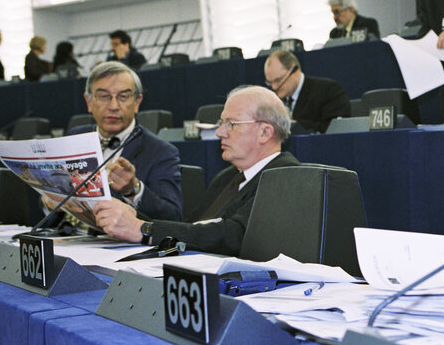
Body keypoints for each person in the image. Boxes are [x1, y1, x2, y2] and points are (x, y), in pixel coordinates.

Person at [93, 85, 300, 256]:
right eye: (222, 123)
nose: (219, 132)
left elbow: (236, 236)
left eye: (231, 124)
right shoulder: (227, 177)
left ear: (265, 132)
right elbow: (191, 227)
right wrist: (126, 215)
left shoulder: (286, 177)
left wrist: (143, 229)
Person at [68, 61, 182, 222]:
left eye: (123, 97)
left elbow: (173, 217)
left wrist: (134, 190)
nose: (114, 106)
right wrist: (49, 202)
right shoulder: (74, 138)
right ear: (88, 102)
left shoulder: (161, 151)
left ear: (137, 102)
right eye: (103, 96)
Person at [264, 50, 351, 133]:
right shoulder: (275, 100)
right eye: (270, 82)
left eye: (278, 80)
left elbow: (334, 129)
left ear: (295, 71)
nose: (274, 87)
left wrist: (296, 125)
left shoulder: (327, 90)